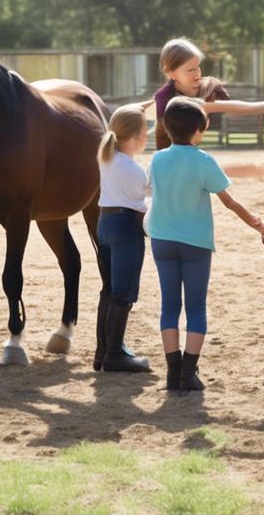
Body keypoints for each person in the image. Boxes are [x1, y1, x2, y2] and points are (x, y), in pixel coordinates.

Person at [147, 96, 264, 391]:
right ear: (198, 131)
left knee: (168, 306)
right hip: (195, 243)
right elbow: (229, 201)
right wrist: (257, 223)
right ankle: (188, 373)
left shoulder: (157, 158)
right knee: (196, 308)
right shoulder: (204, 161)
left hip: (162, 239)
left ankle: (171, 371)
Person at [95, 102, 153, 373]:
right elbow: (143, 207)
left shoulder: (108, 158)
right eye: (145, 131)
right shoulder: (133, 169)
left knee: (108, 289)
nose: (148, 136)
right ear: (134, 136)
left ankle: (104, 349)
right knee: (123, 292)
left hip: (105, 223)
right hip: (125, 227)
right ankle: (115, 354)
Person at [152, 38, 231, 150]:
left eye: (198, 67)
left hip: (190, 149)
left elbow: (228, 104)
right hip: (170, 151)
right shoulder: (163, 97)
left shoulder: (203, 87)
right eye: (190, 70)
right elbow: (171, 133)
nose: (197, 74)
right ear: (171, 73)